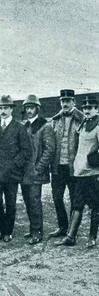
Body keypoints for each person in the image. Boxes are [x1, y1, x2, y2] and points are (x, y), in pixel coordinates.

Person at [0, 95, 31, 242]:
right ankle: (0, 227)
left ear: (11, 109)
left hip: (12, 174)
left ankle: (8, 232)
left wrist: (14, 165)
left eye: (5, 108)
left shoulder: (20, 127)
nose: (3, 111)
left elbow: (25, 151)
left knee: (11, 204)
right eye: (0, 108)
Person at [56, 95, 99, 248]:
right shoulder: (83, 124)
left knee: (95, 206)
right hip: (79, 173)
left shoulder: (98, 125)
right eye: (85, 108)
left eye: (91, 108)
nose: (87, 111)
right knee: (77, 204)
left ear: (97, 109)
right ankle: (71, 237)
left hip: (92, 174)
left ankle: (92, 238)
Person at [49, 89, 84, 238]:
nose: (65, 103)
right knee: (57, 197)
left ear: (74, 102)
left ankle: (71, 230)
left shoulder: (81, 119)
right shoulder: (55, 120)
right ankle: (62, 226)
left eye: (68, 101)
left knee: (74, 199)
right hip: (57, 167)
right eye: (63, 101)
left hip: (73, 167)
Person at [20, 95, 56, 245]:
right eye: (27, 108)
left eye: (32, 108)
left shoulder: (45, 126)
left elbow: (50, 150)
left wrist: (39, 168)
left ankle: (38, 231)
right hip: (23, 172)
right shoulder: (24, 126)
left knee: (35, 201)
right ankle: (33, 227)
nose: (29, 111)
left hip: (36, 172)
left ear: (38, 109)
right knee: (28, 201)